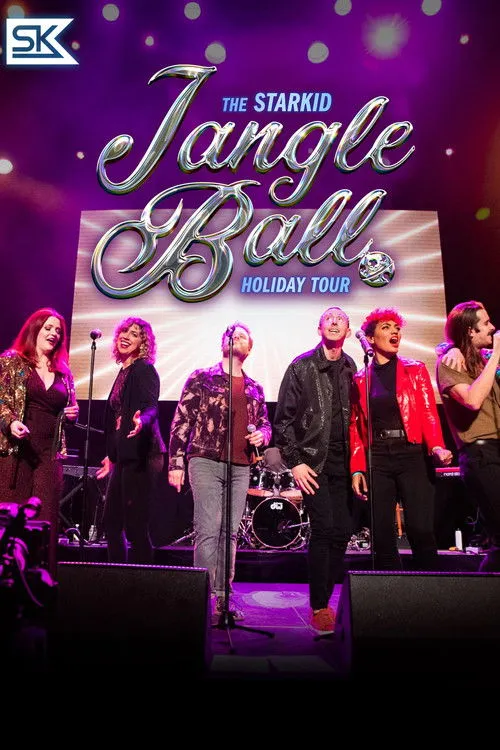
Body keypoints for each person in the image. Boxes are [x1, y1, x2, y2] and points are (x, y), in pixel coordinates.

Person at [168, 322, 271, 620]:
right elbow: (181, 421)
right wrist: (175, 463)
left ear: (249, 348)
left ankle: (223, 597)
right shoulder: (202, 377)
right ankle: (202, 597)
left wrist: (262, 435)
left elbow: (265, 423)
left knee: (230, 532)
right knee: (208, 529)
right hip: (205, 460)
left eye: (242, 336)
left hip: (241, 465)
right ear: (223, 343)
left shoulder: (255, 388)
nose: (235, 337)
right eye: (232, 334)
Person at [274, 306, 357, 634]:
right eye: (328, 319)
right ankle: (320, 606)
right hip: (313, 463)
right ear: (319, 328)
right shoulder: (302, 366)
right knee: (324, 529)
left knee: (343, 531)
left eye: (341, 319)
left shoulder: (352, 367)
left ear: (348, 331)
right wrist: (296, 461)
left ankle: (328, 599)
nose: (334, 322)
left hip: (346, 464)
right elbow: (282, 420)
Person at [350, 307, 452, 572]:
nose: (394, 332)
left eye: (396, 328)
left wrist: (437, 445)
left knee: (420, 528)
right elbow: (355, 427)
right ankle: (391, 591)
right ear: (370, 338)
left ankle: (430, 589)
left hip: (412, 453)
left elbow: (428, 412)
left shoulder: (414, 369)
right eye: (386, 327)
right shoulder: (360, 378)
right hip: (378, 457)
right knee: (382, 533)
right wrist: (357, 467)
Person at [0, 307, 79, 578]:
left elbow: (70, 407)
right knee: (12, 516)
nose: (54, 333)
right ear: (35, 329)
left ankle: (41, 581)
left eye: (58, 331)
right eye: (48, 328)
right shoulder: (12, 361)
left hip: (49, 452)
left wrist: (72, 414)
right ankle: (8, 580)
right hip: (17, 450)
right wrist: (10, 423)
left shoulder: (64, 372)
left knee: (45, 518)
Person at [436, 300, 500, 571]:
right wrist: (496, 355)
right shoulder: (450, 362)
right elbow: (472, 400)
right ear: (470, 331)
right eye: (486, 323)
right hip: (480, 454)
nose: (493, 327)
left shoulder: (483, 361)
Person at [96, 317, 166, 564]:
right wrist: (111, 455)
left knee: (135, 524)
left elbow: (151, 406)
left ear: (143, 343)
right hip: (125, 453)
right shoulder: (124, 371)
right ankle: (118, 576)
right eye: (124, 331)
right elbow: (117, 416)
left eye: (135, 334)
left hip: (143, 453)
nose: (126, 336)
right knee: (111, 522)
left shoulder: (144, 369)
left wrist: (142, 422)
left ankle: (142, 579)